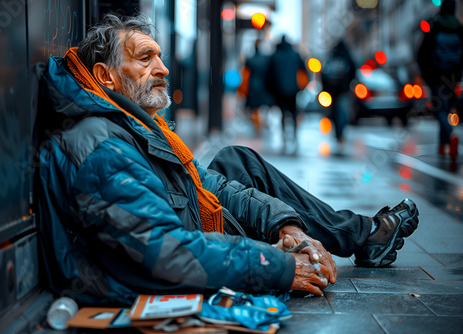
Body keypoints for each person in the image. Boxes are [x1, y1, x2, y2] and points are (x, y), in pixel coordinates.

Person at [36, 13, 419, 305]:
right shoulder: (102, 145)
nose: (164, 69)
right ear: (106, 77)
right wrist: (279, 267)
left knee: (236, 161)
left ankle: (362, 234)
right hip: (160, 268)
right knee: (237, 169)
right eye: (146, 58)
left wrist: (288, 228)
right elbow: (166, 252)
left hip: (191, 227)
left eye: (160, 56)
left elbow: (210, 185)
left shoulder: (134, 128)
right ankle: (365, 235)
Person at [417, 0, 463, 161]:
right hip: (453, 77)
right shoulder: (459, 28)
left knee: (439, 109)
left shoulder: (435, 27)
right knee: (447, 107)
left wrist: (426, 76)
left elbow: (422, 54)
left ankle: (448, 136)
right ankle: (443, 144)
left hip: (436, 77)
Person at [266, 35, 307, 154]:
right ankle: (294, 135)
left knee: (283, 114)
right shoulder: (295, 54)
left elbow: (269, 75)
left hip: (279, 90)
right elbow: (303, 70)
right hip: (293, 89)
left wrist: (271, 89)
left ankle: (284, 136)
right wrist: (301, 86)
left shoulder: (274, 56)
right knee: (294, 113)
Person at [321, 40, 356, 147]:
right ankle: (340, 133)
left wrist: (326, 89)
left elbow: (323, 74)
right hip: (343, 91)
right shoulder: (347, 57)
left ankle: (338, 133)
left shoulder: (332, 57)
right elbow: (353, 71)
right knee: (343, 113)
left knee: (335, 112)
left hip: (332, 92)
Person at [239, 39, 274, 136]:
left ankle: (257, 126)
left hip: (253, 85)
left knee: (254, 108)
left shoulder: (250, 59)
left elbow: (245, 73)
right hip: (263, 84)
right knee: (265, 105)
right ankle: (262, 124)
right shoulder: (266, 58)